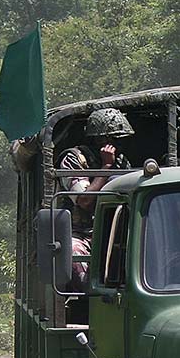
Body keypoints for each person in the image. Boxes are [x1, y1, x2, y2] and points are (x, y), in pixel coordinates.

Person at [56, 108, 134, 288]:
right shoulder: (73, 159)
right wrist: (106, 167)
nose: (117, 144)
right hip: (81, 233)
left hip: (115, 230)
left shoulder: (121, 161)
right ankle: (91, 298)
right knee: (73, 250)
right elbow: (84, 201)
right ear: (99, 139)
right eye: (112, 139)